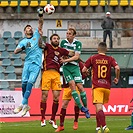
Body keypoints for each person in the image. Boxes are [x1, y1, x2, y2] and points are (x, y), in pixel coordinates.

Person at [82, 42, 120, 133]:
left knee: (99, 108)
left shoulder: (93, 58)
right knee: (99, 108)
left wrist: (86, 73)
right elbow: (117, 68)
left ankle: (105, 127)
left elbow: (83, 69)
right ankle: (98, 128)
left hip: (97, 86)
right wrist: (117, 78)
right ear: (106, 50)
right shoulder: (110, 59)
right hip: (107, 87)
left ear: (97, 49)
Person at [40, 33, 75, 129]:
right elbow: (40, 44)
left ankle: (52, 118)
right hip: (47, 73)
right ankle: (43, 118)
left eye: (57, 39)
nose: (56, 40)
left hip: (56, 74)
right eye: (54, 38)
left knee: (56, 98)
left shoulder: (61, 50)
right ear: (51, 40)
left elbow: (72, 53)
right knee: (44, 96)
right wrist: (39, 34)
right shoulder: (47, 47)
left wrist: (73, 49)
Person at [13, 8, 44, 117]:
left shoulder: (36, 34)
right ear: (25, 31)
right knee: (24, 85)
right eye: (27, 28)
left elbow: (40, 23)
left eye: (30, 27)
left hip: (36, 64)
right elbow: (15, 51)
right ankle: (26, 105)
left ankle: (22, 104)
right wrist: (21, 48)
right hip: (27, 64)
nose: (29, 29)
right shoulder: (23, 41)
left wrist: (40, 14)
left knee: (30, 83)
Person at [59, 27, 90, 119]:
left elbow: (76, 57)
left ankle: (86, 108)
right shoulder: (63, 42)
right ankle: (82, 108)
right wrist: (69, 55)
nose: (67, 35)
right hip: (66, 68)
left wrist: (66, 59)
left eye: (69, 33)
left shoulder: (78, 43)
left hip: (75, 67)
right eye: (67, 33)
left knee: (80, 86)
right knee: (72, 85)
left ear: (74, 35)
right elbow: (62, 53)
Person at [55, 61, 89, 132]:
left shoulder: (77, 63)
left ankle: (76, 121)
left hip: (75, 86)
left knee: (77, 103)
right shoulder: (63, 62)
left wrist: (79, 78)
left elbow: (85, 73)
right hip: (67, 86)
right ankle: (61, 125)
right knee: (64, 105)